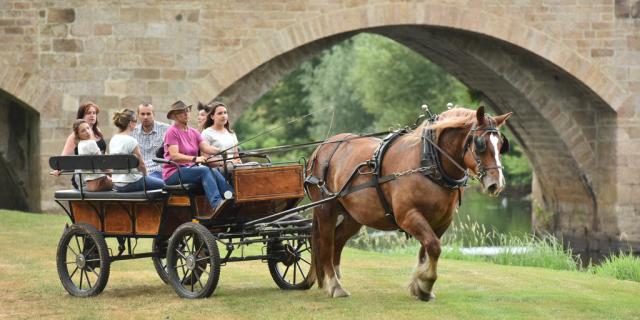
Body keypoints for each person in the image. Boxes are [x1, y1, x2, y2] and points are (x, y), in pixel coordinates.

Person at [163, 100, 232, 213]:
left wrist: (220, 151)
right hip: (174, 172)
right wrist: (195, 159)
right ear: (175, 116)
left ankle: (230, 197)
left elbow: (205, 147)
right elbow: (174, 156)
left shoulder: (193, 132)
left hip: (190, 170)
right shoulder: (172, 132)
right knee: (204, 170)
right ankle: (217, 203)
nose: (186, 114)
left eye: (187, 111)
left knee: (213, 170)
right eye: (182, 112)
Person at [109, 108, 165, 192]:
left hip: (117, 183)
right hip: (132, 182)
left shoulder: (113, 139)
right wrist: (146, 177)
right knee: (166, 185)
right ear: (131, 123)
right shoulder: (131, 140)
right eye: (135, 121)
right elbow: (141, 165)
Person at [53, 102, 107, 188]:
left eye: (94, 113)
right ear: (82, 116)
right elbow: (64, 156)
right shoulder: (75, 135)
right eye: (89, 113)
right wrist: (58, 169)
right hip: (85, 178)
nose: (92, 115)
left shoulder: (98, 132)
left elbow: (103, 153)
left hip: (100, 174)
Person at [131, 103, 170, 180]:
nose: (145, 117)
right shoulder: (132, 132)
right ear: (138, 115)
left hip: (159, 170)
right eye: (142, 114)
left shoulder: (166, 129)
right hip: (139, 172)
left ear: (153, 115)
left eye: (148, 114)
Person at [73, 119, 113, 192]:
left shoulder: (80, 145)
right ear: (78, 134)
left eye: (88, 128)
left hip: (89, 184)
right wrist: (113, 175)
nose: (87, 132)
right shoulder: (91, 143)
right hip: (99, 183)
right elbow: (102, 164)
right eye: (83, 131)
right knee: (120, 183)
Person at [201, 101, 241, 167]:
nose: (223, 116)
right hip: (218, 169)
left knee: (254, 165)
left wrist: (240, 165)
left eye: (225, 113)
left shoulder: (231, 133)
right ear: (212, 116)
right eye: (220, 113)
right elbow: (205, 159)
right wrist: (229, 162)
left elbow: (236, 157)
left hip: (234, 167)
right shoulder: (206, 133)